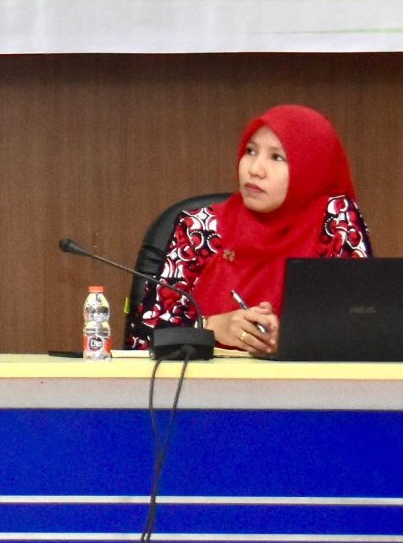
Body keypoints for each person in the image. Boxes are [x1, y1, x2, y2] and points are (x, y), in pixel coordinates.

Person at [130, 104, 371, 355]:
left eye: (277, 157)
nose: (254, 169)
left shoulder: (333, 221)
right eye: (250, 151)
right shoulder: (200, 227)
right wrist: (210, 327)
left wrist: (293, 338)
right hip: (206, 379)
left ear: (311, 167)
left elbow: (364, 330)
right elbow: (143, 340)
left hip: (305, 380)